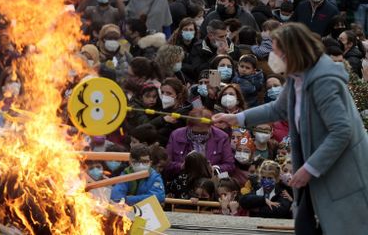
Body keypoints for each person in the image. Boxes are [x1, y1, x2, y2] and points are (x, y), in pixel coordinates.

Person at [213, 22, 368, 234]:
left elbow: (342, 131)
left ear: (292, 52)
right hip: (313, 170)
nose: (272, 58)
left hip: (339, 175)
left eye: (276, 52)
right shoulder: (298, 76)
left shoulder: (324, 81)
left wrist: (310, 168)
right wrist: (237, 118)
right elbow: (278, 109)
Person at [165, 108, 234, 177]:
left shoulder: (222, 137)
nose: (199, 136)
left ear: (210, 126)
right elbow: (166, 165)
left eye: (203, 133)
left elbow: (230, 165)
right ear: (189, 126)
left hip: (210, 181)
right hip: (184, 179)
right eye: (195, 133)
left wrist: (214, 169)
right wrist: (181, 166)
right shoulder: (176, 135)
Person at [149, 77, 191, 146]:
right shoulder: (163, 108)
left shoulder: (181, 115)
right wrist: (163, 119)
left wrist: (162, 120)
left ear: (178, 95)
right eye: (162, 92)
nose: (164, 96)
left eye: (169, 93)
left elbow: (150, 131)